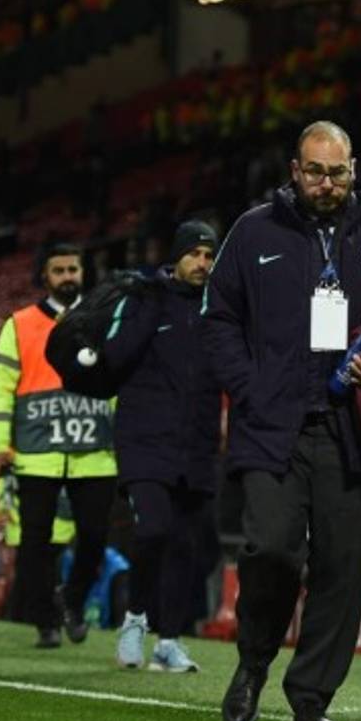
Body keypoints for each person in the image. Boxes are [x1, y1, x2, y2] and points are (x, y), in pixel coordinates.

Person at [203, 120, 361, 721]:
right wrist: (249, 388)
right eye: (314, 171)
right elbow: (218, 318)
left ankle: (311, 698)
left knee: (345, 566)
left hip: (356, 430)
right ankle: (253, 661)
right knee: (271, 548)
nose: (326, 183)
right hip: (272, 425)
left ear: (353, 169)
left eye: (338, 172)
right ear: (294, 170)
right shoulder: (253, 233)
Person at [0, 243, 117, 649]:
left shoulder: (104, 321)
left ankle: (71, 599)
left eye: (72, 269)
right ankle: (46, 622)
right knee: (33, 544)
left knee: (94, 538)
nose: (66, 277)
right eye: (58, 270)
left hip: (94, 454)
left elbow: (119, 387)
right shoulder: (19, 324)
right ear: (45, 276)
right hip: (35, 453)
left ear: (83, 272)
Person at [102, 221, 222, 672]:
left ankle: (168, 641)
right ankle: (135, 619)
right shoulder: (142, 298)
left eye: (209, 256)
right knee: (153, 529)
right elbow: (115, 355)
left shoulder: (220, 308)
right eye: (194, 254)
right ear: (175, 257)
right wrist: (150, 304)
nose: (202, 264)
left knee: (187, 546)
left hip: (196, 442)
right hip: (144, 439)